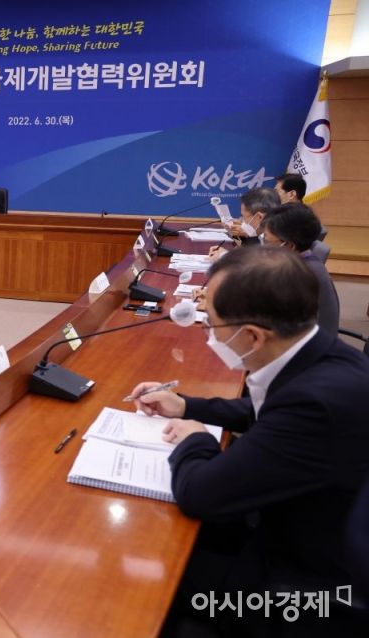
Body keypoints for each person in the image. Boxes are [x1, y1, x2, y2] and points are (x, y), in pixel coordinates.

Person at [130, 247, 369, 635]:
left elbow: (201, 495)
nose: (209, 333)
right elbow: (265, 410)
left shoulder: (315, 406)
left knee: (145, 577)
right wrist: (186, 405)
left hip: (307, 592)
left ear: (254, 336)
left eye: (212, 324)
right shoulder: (318, 353)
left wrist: (195, 439)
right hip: (299, 531)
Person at [261, 203, 340, 336]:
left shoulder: (297, 275)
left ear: (289, 245)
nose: (263, 246)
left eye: (267, 240)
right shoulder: (305, 261)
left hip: (306, 345)